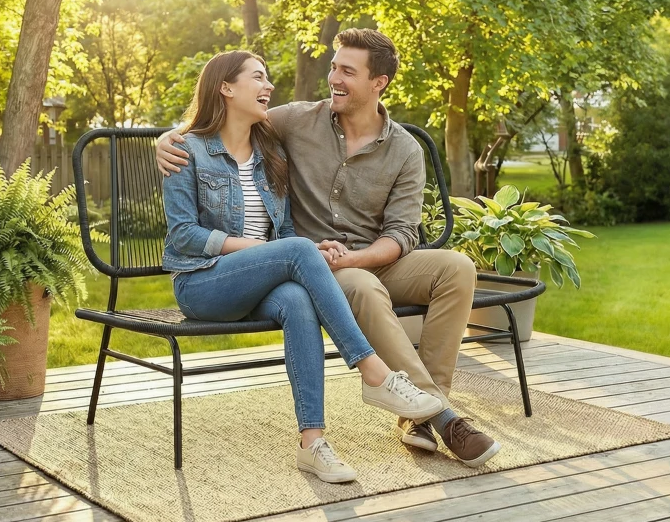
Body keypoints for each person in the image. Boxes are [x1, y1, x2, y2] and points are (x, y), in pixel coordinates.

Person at [157, 30, 501, 468]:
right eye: (333, 67)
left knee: (456, 268)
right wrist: (165, 140)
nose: (333, 78)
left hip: (353, 260)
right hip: (305, 262)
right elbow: (215, 124)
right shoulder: (296, 120)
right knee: (343, 278)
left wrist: (349, 256)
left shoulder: (403, 149)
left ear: (379, 83)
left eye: (346, 71)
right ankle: (427, 407)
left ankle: (414, 416)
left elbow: (402, 234)